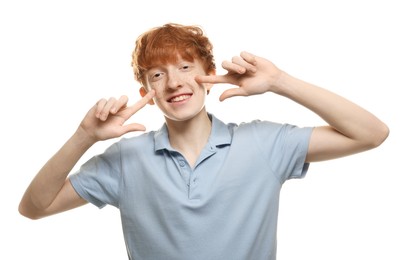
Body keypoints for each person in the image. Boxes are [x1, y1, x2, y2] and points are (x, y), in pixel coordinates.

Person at [19, 23, 389, 260]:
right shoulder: (125, 159)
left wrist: (280, 82)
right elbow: (34, 208)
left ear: (209, 77)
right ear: (146, 90)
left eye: (185, 68)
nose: (174, 83)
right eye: (158, 74)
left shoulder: (263, 142)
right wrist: (84, 137)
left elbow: (371, 133)